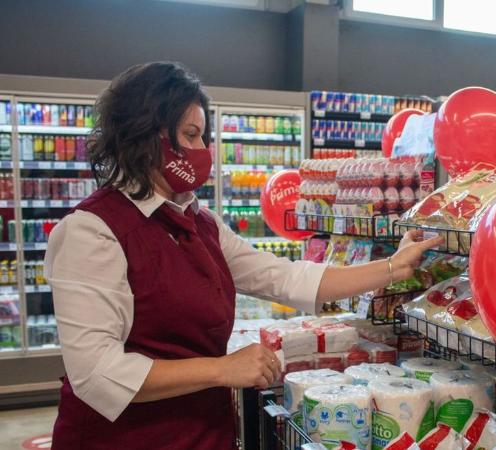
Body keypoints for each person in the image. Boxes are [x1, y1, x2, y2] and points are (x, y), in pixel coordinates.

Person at [44, 62, 441, 449]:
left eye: (204, 137)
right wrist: (222, 368)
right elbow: (96, 374)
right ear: (148, 136)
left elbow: (283, 277)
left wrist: (394, 267)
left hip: (202, 432)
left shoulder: (202, 224)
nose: (203, 150)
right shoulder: (93, 232)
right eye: (191, 134)